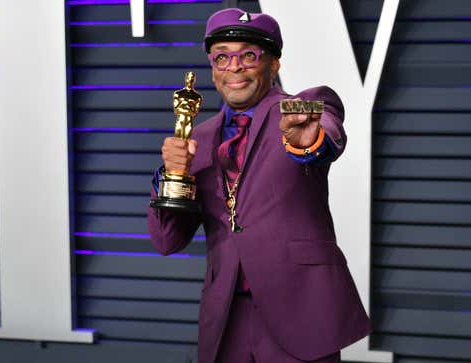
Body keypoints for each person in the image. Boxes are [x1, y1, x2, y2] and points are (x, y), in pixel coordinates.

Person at [147, 8, 371, 363]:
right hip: (226, 318)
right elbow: (167, 241)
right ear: (212, 67)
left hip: (302, 311)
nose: (234, 67)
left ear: (274, 64)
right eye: (222, 57)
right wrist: (173, 176)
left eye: (248, 56)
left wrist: (308, 140)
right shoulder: (199, 138)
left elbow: (326, 132)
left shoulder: (301, 108)